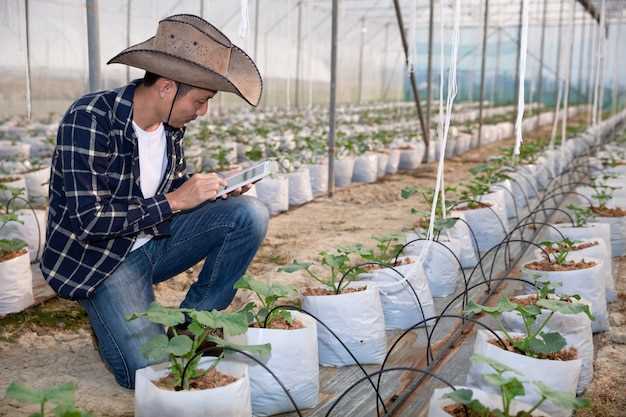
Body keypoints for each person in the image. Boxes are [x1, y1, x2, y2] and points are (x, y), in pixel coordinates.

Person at [40, 14, 268, 389]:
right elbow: (88, 222)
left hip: (153, 242)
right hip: (100, 260)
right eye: (200, 100)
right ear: (166, 87)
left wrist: (212, 189)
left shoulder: (170, 129)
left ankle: (194, 324)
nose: (203, 111)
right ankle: (111, 316)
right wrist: (176, 201)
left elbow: (161, 187)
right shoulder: (90, 118)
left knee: (248, 215)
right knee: (150, 374)